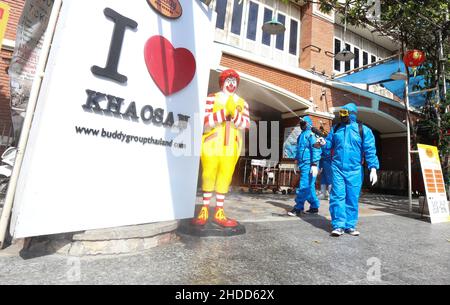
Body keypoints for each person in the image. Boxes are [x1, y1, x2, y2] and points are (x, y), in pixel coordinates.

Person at [192, 69, 250, 227]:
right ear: (222, 82)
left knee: (225, 176)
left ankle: (219, 211)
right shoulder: (212, 98)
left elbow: (246, 124)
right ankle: (204, 209)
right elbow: (203, 122)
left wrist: (235, 115)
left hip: (232, 145)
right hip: (212, 142)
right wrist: (224, 114)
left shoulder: (242, 102)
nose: (231, 84)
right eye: (228, 81)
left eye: (234, 82)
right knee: (209, 174)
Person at [323, 103, 379, 237]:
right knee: (337, 196)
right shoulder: (335, 129)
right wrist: (323, 143)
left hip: (355, 170)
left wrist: (373, 168)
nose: (341, 116)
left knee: (352, 198)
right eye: (341, 113)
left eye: (344, 114)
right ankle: (338, 225)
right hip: (337, 168)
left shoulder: (363, 130)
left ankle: (350, 225)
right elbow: (329, 145)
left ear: (351, 114)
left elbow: (370, 150)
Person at [288, 116, 322, 216]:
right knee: (309, 186)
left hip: (309, 164)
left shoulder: (312, 135)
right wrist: (296, 161)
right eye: (301, 123)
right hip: (303, 164)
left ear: (308, 124)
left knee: (304, 185)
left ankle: (298, 208)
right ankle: (314, 206)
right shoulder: (301, 136)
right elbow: (298, 150)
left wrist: (314, 164)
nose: (301, 125)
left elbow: (316, 149)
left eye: (303, 123)